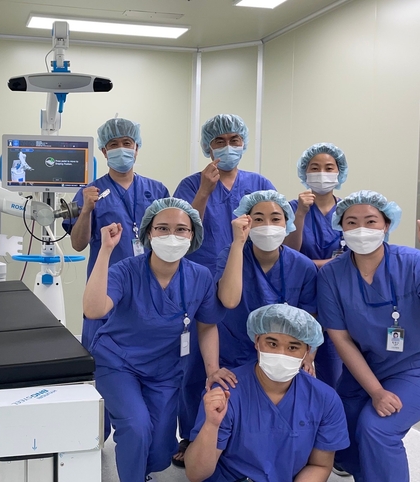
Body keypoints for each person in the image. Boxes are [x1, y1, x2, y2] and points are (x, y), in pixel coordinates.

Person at [317, 190, 420, 482]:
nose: (361, 229)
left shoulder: (413, 262)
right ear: (340, 227)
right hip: (370, 367)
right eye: (352, 222)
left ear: (386, 225)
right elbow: (341, 338)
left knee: (377, 428)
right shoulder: (332, 274)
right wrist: (375, 391)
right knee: (339, 424)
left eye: (371, 221)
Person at [83, 198, 228, 482]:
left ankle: (142, 470)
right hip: (118, 362)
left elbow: (207, 326)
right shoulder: (126, 270)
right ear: (149, 233)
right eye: (162, 228)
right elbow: (93, 310)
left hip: (165, 369)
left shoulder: (200, 276)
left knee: (161, 448)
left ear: (193, 235)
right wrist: (105, 250)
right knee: (136, 427)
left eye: (181, 229)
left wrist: (212, 370)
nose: (172, 235)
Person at [172, 114, 275, 466]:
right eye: (220, 141)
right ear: (208, 147)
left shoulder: (259, 183)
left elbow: (274, 221)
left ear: (243, 143)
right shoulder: (192, 183)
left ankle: (242, 434)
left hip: (246, 275)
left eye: (235, 140)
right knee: (194, 363)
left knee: (246, 353)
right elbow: (184, 227)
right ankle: (191, 434)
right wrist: (204, 190)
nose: (228, 147)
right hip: (200, 278)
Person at [63, 118, 169, 440]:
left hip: (146, 289)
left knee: (144, 362)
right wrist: (86, 210)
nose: (121, 149)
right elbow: (78, 243)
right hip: (105, 289)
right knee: (100, 362)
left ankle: (139, 434)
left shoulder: (157, 191)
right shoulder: (90, 193)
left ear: (137, 148)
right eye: (114, 145)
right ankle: (95, 437)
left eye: (127, 143)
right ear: (104, 151)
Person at [185, 304, 349, 482]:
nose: (280, 354)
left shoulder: (324, 399)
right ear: (257, 341)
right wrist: (211, 425)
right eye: (272, 344)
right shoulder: (226, 392)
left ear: (307, 351)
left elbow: (319, 465)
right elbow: (196, 474)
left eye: (293, 348)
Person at [215, 190, 318, 370]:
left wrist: (308, 356)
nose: (267, 226)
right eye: (258, 219)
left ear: (287, 223)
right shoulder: (231, 255)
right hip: (235, 355)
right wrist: (238, 243)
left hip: (283, 356)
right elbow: (229, 301)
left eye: (275, 219)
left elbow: (310, 317)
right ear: (247, 222)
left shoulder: (303, 266)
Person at [283, 143, 348, 392]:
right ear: (305, 172)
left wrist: (310, 264)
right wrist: (300, 213)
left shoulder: (349, 210)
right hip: (300, 293)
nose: (322, 173)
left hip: (337, 295)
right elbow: (289, 253)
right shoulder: (291, 208)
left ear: (339, 172)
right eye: (315, 167)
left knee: (333, 367)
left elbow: (355, 258)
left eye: (329, 168)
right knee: (294, 365)